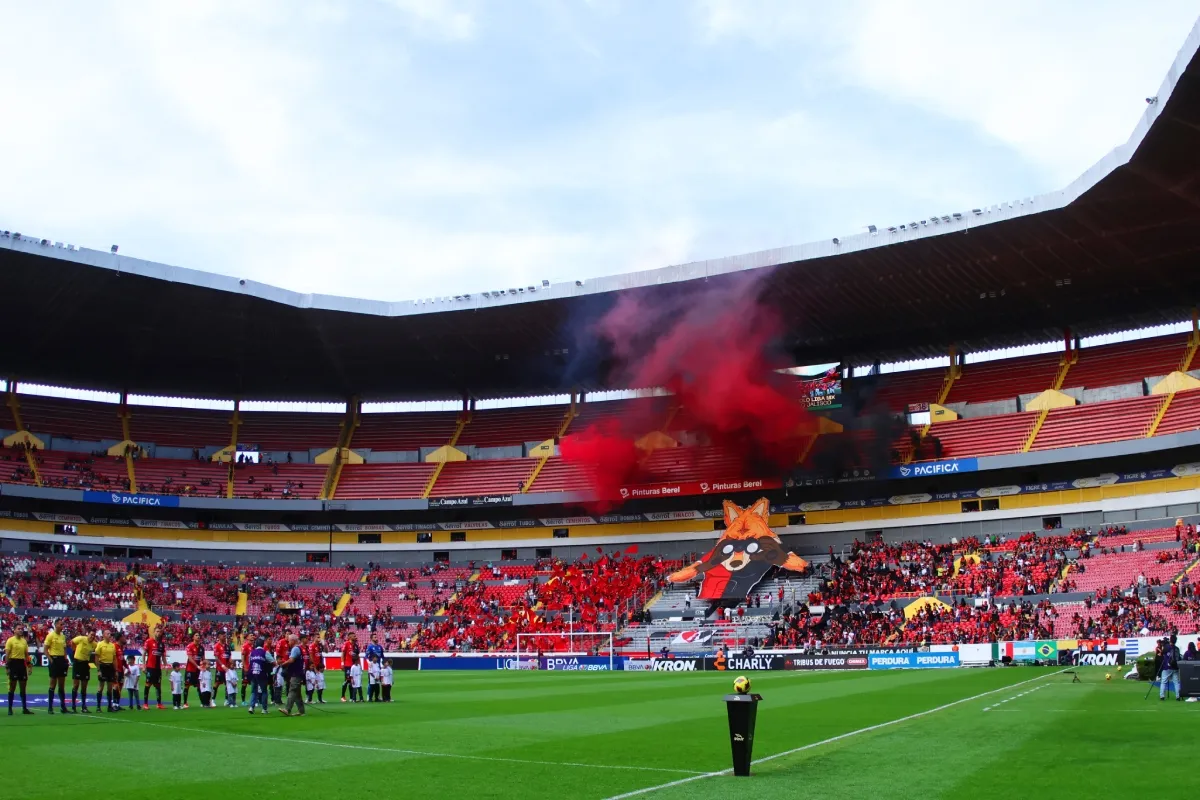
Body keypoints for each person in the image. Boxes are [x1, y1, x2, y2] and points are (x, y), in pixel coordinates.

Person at [4, 624, 34, 715]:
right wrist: (7, 667)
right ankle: (10, 709)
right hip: (13, 663)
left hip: (21, 664)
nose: (21, 630)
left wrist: (29, 666)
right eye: (19, 629)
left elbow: (26, 655)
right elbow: (7, 655)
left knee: (23, 687)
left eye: (21, 629)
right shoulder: (10, 640)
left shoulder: (24, 641)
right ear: (14, 630)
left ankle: (24, 708)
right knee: (12, 687)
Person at [43, 619, 69, 714]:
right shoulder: (50, 635)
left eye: (63, 624)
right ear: (56, 625)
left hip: (61, 660)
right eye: (61, 624)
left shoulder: (62, 636)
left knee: (61, 685)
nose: (62, 626)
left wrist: (65, 659)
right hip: (54, 659)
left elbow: (64, 649)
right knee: (52, 684)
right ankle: (50, 707)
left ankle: (63, 707)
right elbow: (45, 649)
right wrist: (51, 660)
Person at [70, 630, 96, 713]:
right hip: (78, 663)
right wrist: (74, 650)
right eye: (91, 634)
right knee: (76, 685)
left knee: (84, 687)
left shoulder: (94, 644)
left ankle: (83, 706)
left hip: (85, 664)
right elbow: (72, 642)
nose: (92, 636)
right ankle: (73, 706)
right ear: (88, 634)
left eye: (94, 635)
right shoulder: (81, 638)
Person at [280, 634, 306, 717]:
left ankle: (287, 709)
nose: (288, 643)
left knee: (292, 690)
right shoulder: (299, 648)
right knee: (297, 693)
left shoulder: (295, 649)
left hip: (296, 673)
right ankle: (301, 711)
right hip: (299, 672)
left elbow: (291, 660)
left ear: (293, 641)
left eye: (289, 641)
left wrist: (283, 664)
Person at [92, 630, 117, 712]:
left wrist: (116, 670)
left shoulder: (112, 645)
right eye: (108, 633)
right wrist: (98, 669)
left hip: (110, 667)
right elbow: (96, 657)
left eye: (110, 633)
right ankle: (98, 707)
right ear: (103, 635)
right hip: (103, 666)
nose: (109, 635)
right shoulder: (100, 644)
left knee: (110, 688)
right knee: (101, 687)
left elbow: (114, 658)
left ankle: (109, 706)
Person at [142, 629, 166, 710]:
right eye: (157, 631)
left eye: (160, 632)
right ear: (154, 632)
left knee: (158, 686)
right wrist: (144, 666)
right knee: (148, 685)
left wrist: (165, 666)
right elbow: (144, 654)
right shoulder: (149, 641)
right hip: (150, 667)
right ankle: (145, 704)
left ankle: (159, 704)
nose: (158, 633)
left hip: (158, 668)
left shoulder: (161, 644)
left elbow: (163, 656)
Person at [247, 638, 271, 715]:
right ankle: (264, 709)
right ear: (263, 644)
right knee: (264, 691)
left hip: (253, 673)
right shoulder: (265, 652)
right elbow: (273, 661)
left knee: (254, 691)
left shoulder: (252, 652)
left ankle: (251, 707)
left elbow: (249, 662)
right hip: (262, 673)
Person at [1159, 634, 1182, 701]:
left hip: (1167, 667)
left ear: (1170, 640)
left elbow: (1162, 653)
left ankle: (1162, 696)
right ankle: (1178, 696)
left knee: (1163, 682)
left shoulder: (1167, 647)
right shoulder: (1177, 648)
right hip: (1175, 667)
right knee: (1176, 682)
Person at [183, 634, 202, 709]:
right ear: (193, 637)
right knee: (187, 685)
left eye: (199, 635)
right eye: (196, 635)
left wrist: (203, 664)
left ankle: (202, 702)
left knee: (199, 686)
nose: (198, 636)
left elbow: (203, 659)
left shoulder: (201, 647)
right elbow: (190, 659)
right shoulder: (189, 646)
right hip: (190, 670)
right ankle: (185, 703)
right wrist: (197, 666)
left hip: (198, 670)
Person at [341, 632, 358, 702]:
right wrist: (342, 663)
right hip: (347, 665)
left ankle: (351, 697)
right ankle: (342, 696)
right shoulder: (346, 643)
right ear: (350, 637)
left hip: (354, 666)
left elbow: (357, 656)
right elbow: (343, 653)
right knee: (347, 680)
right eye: (354, 636)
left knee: (352, 681)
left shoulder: (355, 645)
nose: (355, 637)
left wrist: (359, 665)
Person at [240, 634, 253, 707]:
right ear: (247, 638)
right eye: (251, 635)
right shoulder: (245, 646)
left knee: (254, 684)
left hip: (251, 668)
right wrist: (244, 666)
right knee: (244, 684)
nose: (252, 636)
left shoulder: (252, 646)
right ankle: (243, 701)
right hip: (246, 668)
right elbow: (242, 656)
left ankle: (254, 700)